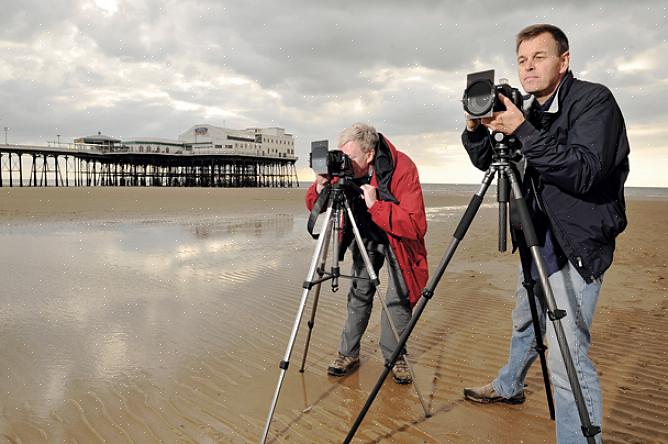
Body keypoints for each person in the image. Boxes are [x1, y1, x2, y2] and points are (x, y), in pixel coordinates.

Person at [460, 24, 629, 443]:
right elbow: (491, 162)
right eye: (521, 60)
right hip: (537, 242)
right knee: (526, 321)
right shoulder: (529, 111)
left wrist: (523, 129)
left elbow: (584, 170)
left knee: (566, 358)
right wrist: (476, 130)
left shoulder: (594, 101)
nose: (528, 67)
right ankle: (509, 385)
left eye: (539, 57)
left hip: (577, 245)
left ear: (564, 61)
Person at [305, 123, 428, 385]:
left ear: (369, 155)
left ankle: (395, 357)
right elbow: (315, 206)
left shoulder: (402, 167)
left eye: (351, 157)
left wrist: (375, 205)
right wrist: (319, 186)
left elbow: (415, 225)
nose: (344, 163)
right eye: (342, 155)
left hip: (398, 241)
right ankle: (347, 354)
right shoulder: (343, 169)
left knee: (398, 299)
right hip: (363, 236)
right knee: (359, 294)